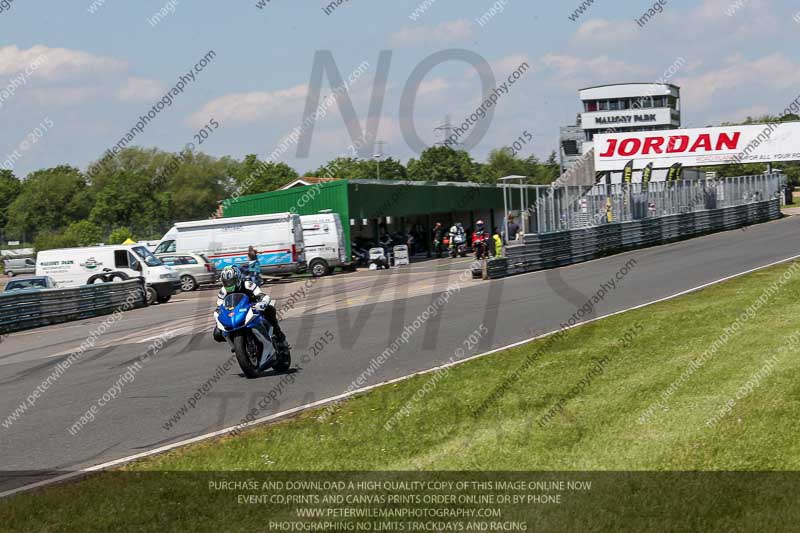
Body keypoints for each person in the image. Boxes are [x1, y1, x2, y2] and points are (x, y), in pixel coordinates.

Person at [213, 265, 287, 349]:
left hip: (252, 309)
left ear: (238, 278)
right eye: (226, 282)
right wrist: (218, 313)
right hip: (234, 314)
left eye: (231, 281)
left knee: (270, 309)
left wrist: (262, 302)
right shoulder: (223, 291)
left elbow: (262, 295)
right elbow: (219, 306)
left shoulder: (248, 285)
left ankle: (279, 336)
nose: (229, 284)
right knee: (217, 333)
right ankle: (236, 345)